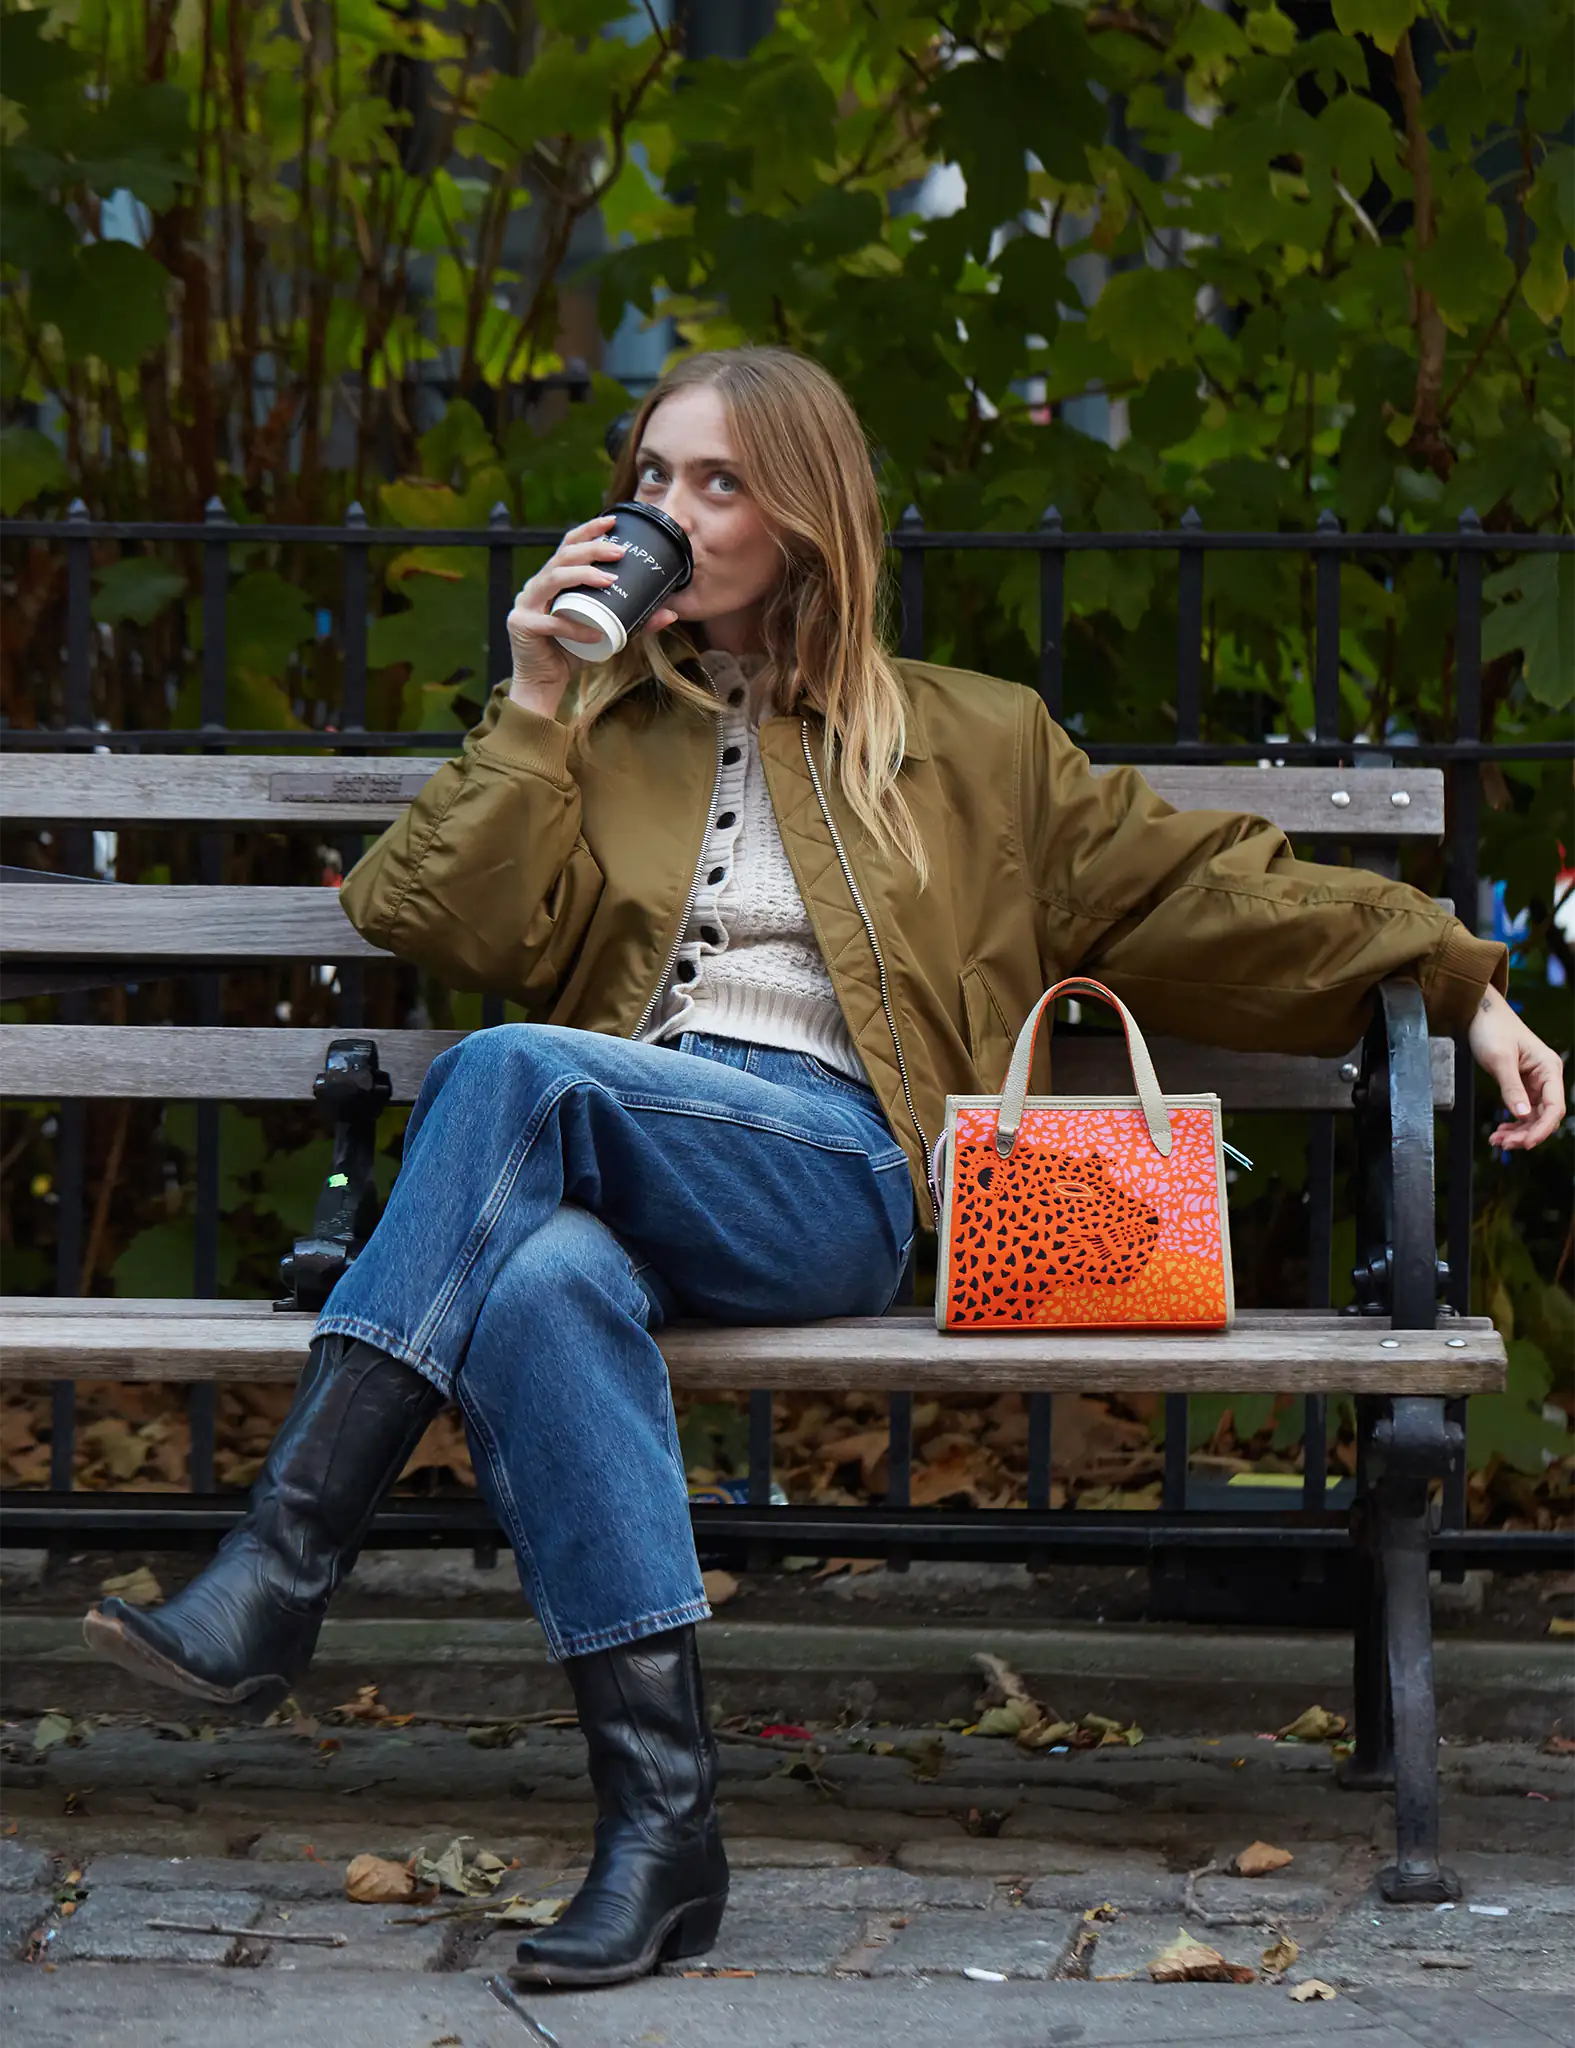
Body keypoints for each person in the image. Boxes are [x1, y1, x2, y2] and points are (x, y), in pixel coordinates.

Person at [81, 346, 1564, 1989]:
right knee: (548, 1286)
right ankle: (663, 1839)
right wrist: (533, 701)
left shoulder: (972, 740)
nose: (670, 512)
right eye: (649, 479)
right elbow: (441, 920)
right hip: (607, 1159)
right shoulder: (597, 728)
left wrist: (1458, 977)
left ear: (806, 514)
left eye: (717, 483)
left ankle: (280, 1572)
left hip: (835, 1173)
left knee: (517, 1082)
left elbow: (1206, 887)